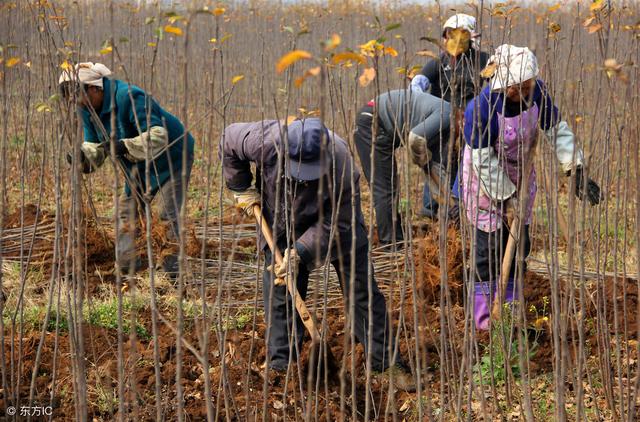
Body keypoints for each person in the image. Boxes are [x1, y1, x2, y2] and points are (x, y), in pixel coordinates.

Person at [220, 118, 415, 390]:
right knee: (281, 289)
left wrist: (299, 252)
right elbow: (228, 139)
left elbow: (335, 223)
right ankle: (281, 366)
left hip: (336, 223)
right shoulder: (263, 142)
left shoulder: (342, 163)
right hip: (281, 218)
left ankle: (386, 363)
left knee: (361, 290)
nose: (303, 178)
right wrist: (241, 186)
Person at [461, 45, 603, 330]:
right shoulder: (481, 108)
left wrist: (575, 170)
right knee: (488, 249)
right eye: (519, 87)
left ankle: (511, 310)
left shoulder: (538, 93)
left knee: (520, 244)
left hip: (521, 174)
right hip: (485, 182)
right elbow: (482, 158)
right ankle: (486, 320)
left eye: (528, 85)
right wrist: (506, 197)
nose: (525, 92)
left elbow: (556, 129)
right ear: (503, 83)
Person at [59, 62, 195, 277]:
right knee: (126, 212)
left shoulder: (129, 97)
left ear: (95, 88)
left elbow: (159, 135)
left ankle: (173, 273)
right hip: (137, 164)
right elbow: (95, 145)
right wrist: (83, 156)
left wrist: (124, 145)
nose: (77, 104)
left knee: (166, 215)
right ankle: (130, 267)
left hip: (172, 156)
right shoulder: (86, 107)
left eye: (78, 96)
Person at [354, 88, 451, 246]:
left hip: (380, 122)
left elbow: (436, 170)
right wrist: (424, 162)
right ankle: (392, 245)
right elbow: (415, 138)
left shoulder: (443, 130)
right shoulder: (448, 114)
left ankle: (397, 238)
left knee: (390, 187)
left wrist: (448, 203)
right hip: (372, 122)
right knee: (385, 189)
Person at [419, 13, 490, 218]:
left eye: (460, 35)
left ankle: (455, 212)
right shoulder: (438, 61)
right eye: (449, 35)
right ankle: (429, 213)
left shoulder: (483, 60)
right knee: (438, 164)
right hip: (440, 122)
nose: (454, 40)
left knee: (465, 165)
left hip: (471, 124)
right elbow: (419, 82)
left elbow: (498, 83)